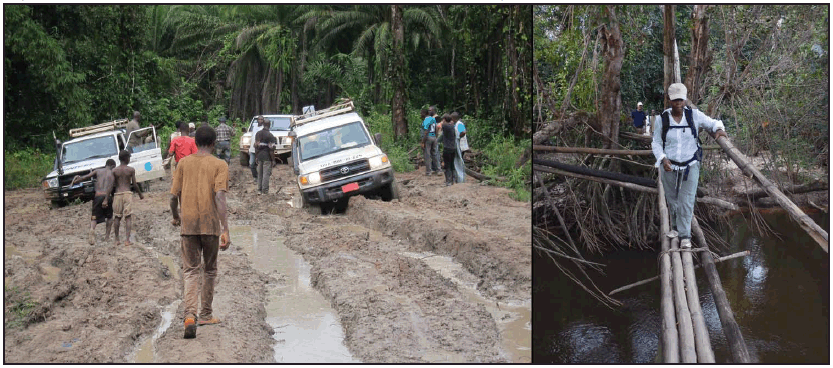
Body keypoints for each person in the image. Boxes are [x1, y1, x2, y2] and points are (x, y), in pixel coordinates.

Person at [170, 125, 230, 339]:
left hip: (188, 226)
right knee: (210, 270)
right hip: (210, 225)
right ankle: (205, 314)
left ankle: (189, 316)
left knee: (190, 270)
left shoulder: (183, 164)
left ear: (196, 143)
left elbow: (172, 196)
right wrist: (225, 229)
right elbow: (220, 197)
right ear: (213, 144)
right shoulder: (219, 165)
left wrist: (176, 216)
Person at [651, 83, 728, 249]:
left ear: (685, 100)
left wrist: (719, 130)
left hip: (690, 164)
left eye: (681, 100)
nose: (678, 103)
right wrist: (663, 159)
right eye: (675, 100)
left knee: (686, 200)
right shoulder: (662, 119)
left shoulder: (694, 115)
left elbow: (713, 123)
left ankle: (685, 235)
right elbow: (656, 142)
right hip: (669, 165)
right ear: (669, 101)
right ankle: (675, 228)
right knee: (672, 199)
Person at [70, 159, 117, 245]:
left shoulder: (97, 171)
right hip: (107, 196)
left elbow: (85, 177)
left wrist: (77, 180)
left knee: (94, 217)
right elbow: (110, 187)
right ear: (113, 166)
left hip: (98, 196)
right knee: (109, 217)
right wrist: (106, 199)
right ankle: (106, 238)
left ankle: (92, 230)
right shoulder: (112, 174)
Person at [111, 150, 144, 246]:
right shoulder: (131, 170)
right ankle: (127, 240)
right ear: (126, 158)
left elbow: (112, 185)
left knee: (117, 217)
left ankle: (117, 239)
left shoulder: (114, 171)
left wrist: (106, 198)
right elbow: (134, 184)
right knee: (128, 217)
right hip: (127, 194)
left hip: (117, 194)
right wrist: (140, 194)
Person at [254, 119, 277, 194]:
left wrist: (256, 157)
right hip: (267, 156)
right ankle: (265, 190)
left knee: (260, 173)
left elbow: (256, 146)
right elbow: (271, 149)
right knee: (266, 174)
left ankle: (259, 190)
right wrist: (273, 160)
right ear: (269, 125)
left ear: (263, 124)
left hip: (259, 155)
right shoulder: (270, 135)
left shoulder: (258, 134)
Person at [438, 114, 457, 186]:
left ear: (445, 120)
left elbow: (440, 125)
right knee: (452, 165)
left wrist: (443, 122)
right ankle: (453, 180)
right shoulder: (452, 126)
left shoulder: (445, 126)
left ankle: (448, 181)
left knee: (447, 165)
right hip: (453, 148)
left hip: (447, 148)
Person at [421, 106, 441, 176]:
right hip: (434, 137)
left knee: (427, 155)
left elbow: (426, 131)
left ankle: (429, 171)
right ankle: (439, 170)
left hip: (428, 138)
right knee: (435, 154)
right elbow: (436, 128)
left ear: (424, 114)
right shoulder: (432, 119)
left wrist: (423, 142)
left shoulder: (426, 120)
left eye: (421, 113)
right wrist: (435, 136)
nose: (421, 115)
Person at [451, 112, 467, 183]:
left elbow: (463, 132)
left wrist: (458, 137)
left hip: (461, 144)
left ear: (454, 118)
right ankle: (458, 177)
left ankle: (461, 178)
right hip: (458, 145)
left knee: (459, 161)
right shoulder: (456, 124)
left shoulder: (459, 124)